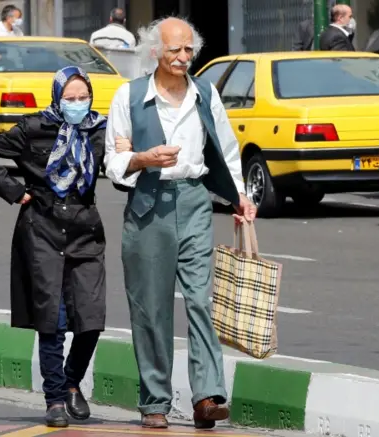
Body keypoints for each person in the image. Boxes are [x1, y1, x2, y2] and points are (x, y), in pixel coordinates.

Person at [104, 16, 257, 430]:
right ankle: (154, 401)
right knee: (151, 308)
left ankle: (208, 395)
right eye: (175, 50)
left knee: (200, 300)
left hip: (194, 200)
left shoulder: (205, 93)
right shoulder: (129, 96)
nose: (183, 57)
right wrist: (141, 159)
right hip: (148, 202)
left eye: (189, 49)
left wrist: (241, 197)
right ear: (155, 51)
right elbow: (114, 163)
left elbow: (225, 148)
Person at [0, 66, 108, 428]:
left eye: (84, 97)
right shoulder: (34, 128)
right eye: (70, 98)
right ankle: (55, 399)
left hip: (85, 228)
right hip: (42, 226)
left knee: (91, 317)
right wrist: (16, 192)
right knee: (53, 319)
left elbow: (122, 166)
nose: (78, 104)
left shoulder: (100, 129)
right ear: (56, 98)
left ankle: (72, 380)